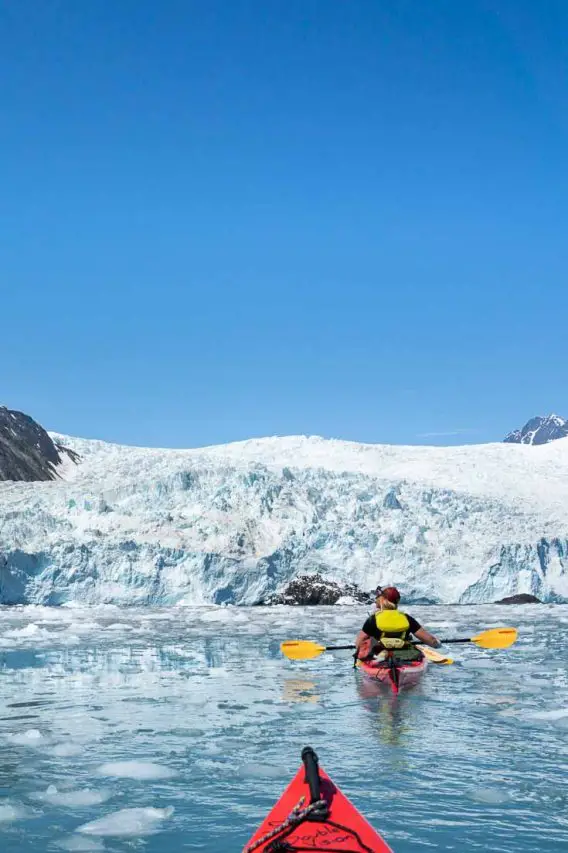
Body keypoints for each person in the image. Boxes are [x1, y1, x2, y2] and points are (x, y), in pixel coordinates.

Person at [355, 585, 441, 662]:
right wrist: (437, 644)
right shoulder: (407, 618)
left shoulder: (373, 619)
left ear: (382, 599)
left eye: (378, 597)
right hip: (403, 657)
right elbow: (430, 640)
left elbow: (359, 643)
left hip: (379, 658)